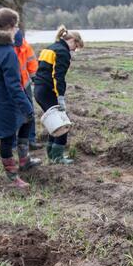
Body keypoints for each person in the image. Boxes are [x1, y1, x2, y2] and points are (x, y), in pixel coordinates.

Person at [0, 7, 38, 188]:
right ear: (8, 28)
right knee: (7, 136)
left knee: (26, 123)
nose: (17, 30)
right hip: (4, 101)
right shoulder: (7, 52)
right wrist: (27, 106)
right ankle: (12, 178)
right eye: (15, 27)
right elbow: (14, 86)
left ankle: (24, 160)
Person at [32, 25, 83, 164]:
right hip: (48, 91)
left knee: (54, 123)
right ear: (72, 40)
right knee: (62, 123)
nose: (74, 50)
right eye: (76, 46)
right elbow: (58, 77)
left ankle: (51, 154)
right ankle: (58, 157)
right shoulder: (62, 52)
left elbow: (40, 70)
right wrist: (60, 97)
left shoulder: (50, 48)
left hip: (39, 90)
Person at [13, 28, 41, 150]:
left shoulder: (25, 45)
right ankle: (13, 143)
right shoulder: (4, 46)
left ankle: (31, 140)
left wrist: (36, 79)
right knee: (13, 113)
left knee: (29, 112)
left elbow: (32, 63)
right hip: (12, 86)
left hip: (24, 84)